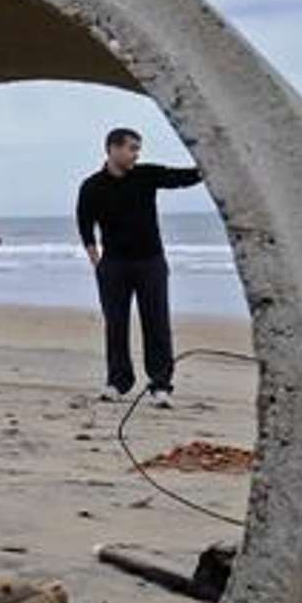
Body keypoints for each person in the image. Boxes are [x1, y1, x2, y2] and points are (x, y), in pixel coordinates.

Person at [76, 127, 203, 408]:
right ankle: (118, 382)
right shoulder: (92, 186)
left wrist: (209, 162)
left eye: (138, 149)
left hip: (150, 262)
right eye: (132, 148)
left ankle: (160, 385)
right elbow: (84, 223)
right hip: (114, 265)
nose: (136, 154)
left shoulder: (146, 175)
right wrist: (96, 260)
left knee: (157, 323)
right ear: (112, 148)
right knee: (116, 325)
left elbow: (183, 178)